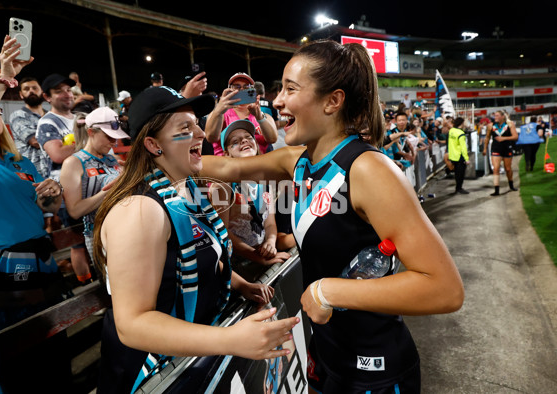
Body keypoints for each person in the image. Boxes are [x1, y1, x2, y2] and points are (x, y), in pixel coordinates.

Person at [201, 39, 464, 393]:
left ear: (332, 101)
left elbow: (444, 288)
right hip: (327, 356)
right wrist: (158, 159)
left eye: (290, 89)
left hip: (375, 370)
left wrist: (329, 292)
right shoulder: (298, 160)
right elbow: (227, 167)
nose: (277, 100)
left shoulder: (369, 170)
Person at [92, 86, 299, 393]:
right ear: (153, 144)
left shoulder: (187, 191)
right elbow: (132, 324)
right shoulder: (138, 210)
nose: (201, 134)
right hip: (152, 374)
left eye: (197, 124)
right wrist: (232, 339)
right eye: (185, 128)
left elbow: (207, 254)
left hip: (191, 359)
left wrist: (242, 285)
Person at [0, 36, 67, 335]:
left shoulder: (19, 162)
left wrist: (52, 196)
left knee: (50, 348)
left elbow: (44, 208)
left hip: (37, 261)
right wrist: (4, 79)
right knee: (8, 357)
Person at [209, 119, 290, 281]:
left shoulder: (266, 179)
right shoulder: (224, 186)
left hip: (263, 253)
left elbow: (269, 222)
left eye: (248, 137)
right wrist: (256, 257)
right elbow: (223, 234)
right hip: (239, 264)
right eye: (235, 142)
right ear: (226, 154)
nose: (244, 141)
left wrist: (271, 242)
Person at [59, 107, 128, 283]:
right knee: (116, 288)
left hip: (125, 228)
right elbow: (74, 210)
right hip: (99, 236)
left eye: (115, 136)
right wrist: (110, 191)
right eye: (109, 136)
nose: (114, 141)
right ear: (91, 132)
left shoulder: (112, 159)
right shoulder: (73, 163)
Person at [36, 72, 91, 281]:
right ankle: (87, 287)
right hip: (67, 191)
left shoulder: (78, 117)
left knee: (94, 240)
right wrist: (88, 144)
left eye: (68, 90)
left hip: (89, 185)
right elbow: (57, 154)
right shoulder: (48, 122)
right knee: (78, 245)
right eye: (58, 91)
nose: (66, 94)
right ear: (47, 97)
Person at [204, 72, 278, 155]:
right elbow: (211, 138)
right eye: (237, 87)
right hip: (229, 165)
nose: (242, 90)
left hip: (258, 164)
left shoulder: (262, 115)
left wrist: (259, 117)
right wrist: (219, 111)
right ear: (229, 90)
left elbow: (272, 139)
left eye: (246, 87)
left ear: (252, 90)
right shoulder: (221, 114)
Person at [9, 76, 47, 176]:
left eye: (35, 88)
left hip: (53, 171)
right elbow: (35, 141)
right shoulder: (18, 115)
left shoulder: (50, 116)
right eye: (26, 89)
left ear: (42, 91)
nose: (31, 91)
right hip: (32, 173)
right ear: (21, 95)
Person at [483, 110, 519, 195]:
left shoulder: (510, 124)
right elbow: (487, 137)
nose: (495, 117)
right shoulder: (490, 126)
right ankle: (496, 190)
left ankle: (511, 185)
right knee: (496, 169)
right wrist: (485, 149)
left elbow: (515, 137)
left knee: (508, 169)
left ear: (503, 116)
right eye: (494, 116)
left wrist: (504, 138)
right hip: (496, 149)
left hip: (507, 148)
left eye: (497, 116)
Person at [448, 117, 470, 194]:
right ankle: (459, 188)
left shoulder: (451, 131)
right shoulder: (461, 133)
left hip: (453, 155)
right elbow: (463, 147)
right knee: (461, 173)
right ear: (462, 123)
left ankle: (457, 188)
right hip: (460, 156)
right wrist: (466, 158)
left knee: (457, 173)